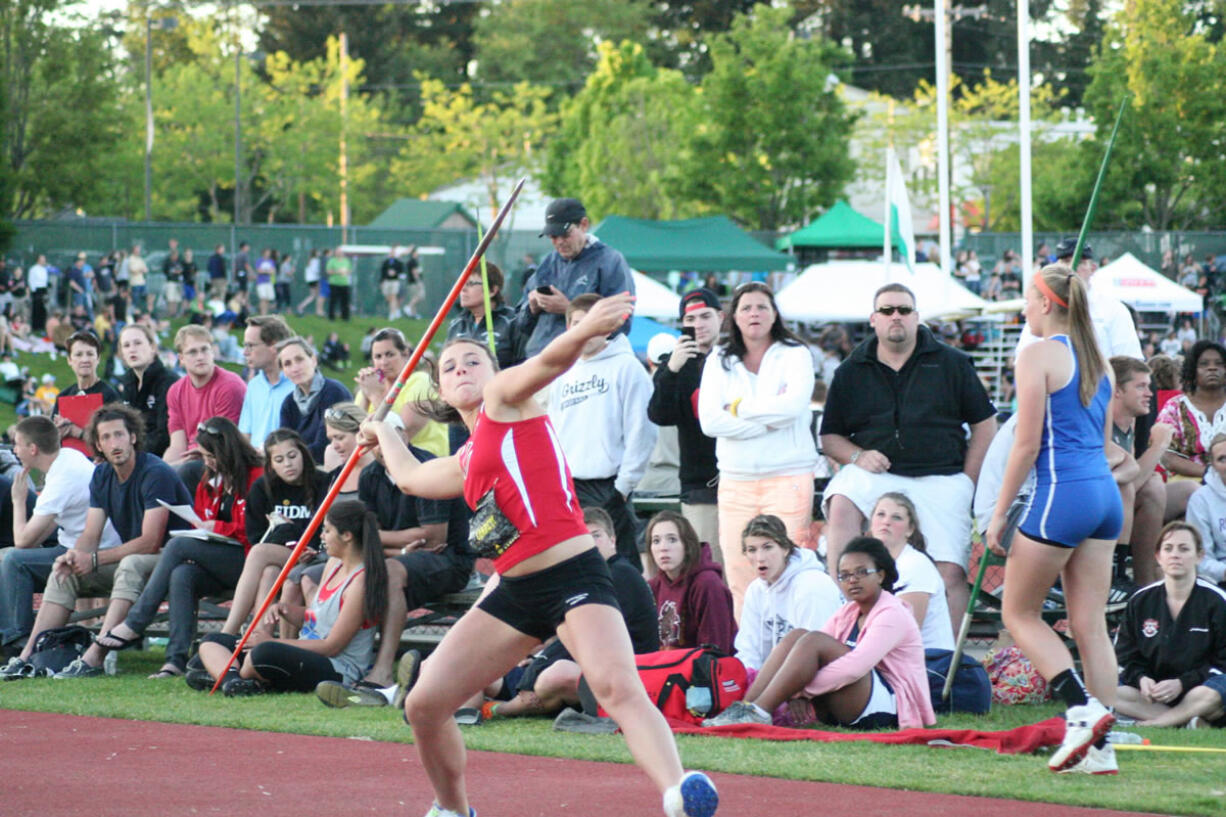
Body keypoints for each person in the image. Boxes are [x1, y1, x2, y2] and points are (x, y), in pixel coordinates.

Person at [360, 293, 720, 817]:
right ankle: (452, 809)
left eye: (473, 360)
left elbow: (551, 361)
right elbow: (412, 475)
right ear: (438, 386)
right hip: (515, 590)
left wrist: (580, 331)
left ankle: (678, 790)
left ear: (494, 370)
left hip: (573, 574)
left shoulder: (506, 399)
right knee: (425, 703)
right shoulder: (466, 455)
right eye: (451, 366)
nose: (461, 369)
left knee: (616, 686)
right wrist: (381, 430)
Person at [986, 265, 1124, 775]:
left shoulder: (1037, 354)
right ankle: (1102, 745)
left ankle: (1082, 710)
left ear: (1046, 303)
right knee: (1090, 625)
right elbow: (1109, 444)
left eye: (1027, 299)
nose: (1024, 308)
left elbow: (1025, 442)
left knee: (1018, 614)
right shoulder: (1100, 363)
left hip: (1062, 493)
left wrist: (998, 514)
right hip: (1104, 497)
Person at [821, 283, 996, 635]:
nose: (895, 316)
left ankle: (945, 668)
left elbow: (985, 424)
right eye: (887, 311)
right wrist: (857, 455)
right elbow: (829, 437)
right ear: (874, 319)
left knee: (950, 573)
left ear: (917, 318)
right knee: (841, 499)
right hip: (877, 474)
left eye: (903, 310)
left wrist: (968, 481)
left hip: (943, 477)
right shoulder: (851, 370)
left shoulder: (952, 363)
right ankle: (843, 611)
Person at [17, 405, 192, 677]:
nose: (114, 443)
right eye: (106, 438)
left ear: (133, 437)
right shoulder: (101, 475)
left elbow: (150, 542)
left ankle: (94, 657)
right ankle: (28, 657)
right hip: (139, 563)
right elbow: (90, 534)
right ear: (97, 444)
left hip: (177, 561)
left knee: (131, 563)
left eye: (119, 435)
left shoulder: (155, 473)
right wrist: (74, 556)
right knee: (63, 571)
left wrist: (94, 559)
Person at [85, 417, 264, 678]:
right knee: (182, 573)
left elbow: (255, 532)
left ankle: (135, 622)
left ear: (227, 451)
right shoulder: (209, 479)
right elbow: (204, 519)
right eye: (203, 456)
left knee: (179, 545)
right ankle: (175, 661)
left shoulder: (255, 477)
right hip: (224, 556)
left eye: (210, 456)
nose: (207, 462)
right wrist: (206, 529)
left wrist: (217, 528)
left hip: (251, 561)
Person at [444, 507, 659, 722]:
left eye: (597, 536)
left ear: (612, 540)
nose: (591, 544)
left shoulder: (620, 574)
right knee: (478, 666)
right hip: (553, 667)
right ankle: (461, 712)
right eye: (584, 538)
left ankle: (497, 710)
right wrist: (532, 656)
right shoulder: (584, 579)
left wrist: (537, 664)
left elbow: (586, 640)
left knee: (555, 675)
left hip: (621, 675)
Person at [703, 537, 934, 731]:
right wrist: (798, 689)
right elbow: (805, 648)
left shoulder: (892, 613)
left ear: (881, 575)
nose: (852, 580)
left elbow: (855, 667)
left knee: (813, 640)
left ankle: (760, 711)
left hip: (891, 707)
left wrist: (799, 691)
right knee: (798, 636)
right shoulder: (849, 611)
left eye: (862, 572)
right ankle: (745, 708)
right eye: (844, 575)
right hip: (854, 698)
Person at [698, 282, 816, 618]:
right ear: (733, 316)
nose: (754, 313)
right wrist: (766, 420)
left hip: (788, 476)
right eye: (746, 307)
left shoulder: (796, 353)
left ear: (774, 313)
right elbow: (709, 421)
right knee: (740, 569)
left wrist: (735, 407)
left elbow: (792, 407)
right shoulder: (719, 359)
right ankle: (750, 658)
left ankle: (792, 650)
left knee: (788, 566)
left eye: (762, 306)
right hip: (736, 481)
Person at [195, 499, 387, 695]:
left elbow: (331, 646)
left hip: (336, 666)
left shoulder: (360, 582)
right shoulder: (333, 564)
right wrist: (285, 609)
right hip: (305, 652)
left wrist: (271, 641)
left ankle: (230, 675)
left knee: (262, 653)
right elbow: (318, 616)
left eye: (327, 531)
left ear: (347, 535)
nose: (321, 536)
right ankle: (235, 682)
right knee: (212, 641)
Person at [548, 293, 657, 569]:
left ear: (607, 326)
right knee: (576, 564)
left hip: (609, 486)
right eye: (575, 324)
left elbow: (642, 431)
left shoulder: (627, 367)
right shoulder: (563, 371)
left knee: (619, 566)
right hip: (570, 485)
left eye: (589, 322)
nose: (582, 331)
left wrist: (623, 486)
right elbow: (553, 430)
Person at [0, 417, 119, 665]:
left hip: (94, 556)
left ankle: (16, 643)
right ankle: (15, 640)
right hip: (83, 547)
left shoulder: (61, 479)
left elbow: (23, 543)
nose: (14, 451)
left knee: (12, 559)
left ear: (33, 449)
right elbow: (33, 539)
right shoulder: (69, 457)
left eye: (17, 444)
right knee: (10, 558)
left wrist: (18, 500)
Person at [216, 429, 331, 639]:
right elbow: (256, 535)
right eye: (279, 459)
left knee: (260, 554)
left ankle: (228, 633)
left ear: (303, 455)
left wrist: (289, 530)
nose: (288, 464)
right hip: (285, 554)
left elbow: (323, 528)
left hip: (317, 554)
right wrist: (291, 538)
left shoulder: (322, 483)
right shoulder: (263, 488)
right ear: (271, 464)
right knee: (268, 570)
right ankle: (262, 636)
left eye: (292, 456)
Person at [1114, 522, 1226, 727]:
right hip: (1156, 694)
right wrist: (1142, 679)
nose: (1175, 555)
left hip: (1201, 688)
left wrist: (1182, 683)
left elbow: (1223, 663)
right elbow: (1124, 657)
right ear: (1158, 556)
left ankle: (1154, 723)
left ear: (1199, 556)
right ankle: (1187, 720)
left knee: (1211, 694)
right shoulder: (1140, 601)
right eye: (1168, 548)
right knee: (1107, 691)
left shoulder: (1218, 601)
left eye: (1184, 549)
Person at [648, 289, 723, 557]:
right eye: (690, 320)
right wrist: (672, 370)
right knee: (707, 562)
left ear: (721, 317)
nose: (698, 325)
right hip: (700, 483)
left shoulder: (734, 358)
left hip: (745, 477)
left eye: (705, 316)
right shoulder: (675, 363)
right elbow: (659, 414)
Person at [516, 197, 634, 359]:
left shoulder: (610, 262)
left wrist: (569, 309)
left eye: (565, 234)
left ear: (584, 225)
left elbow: (622, 322)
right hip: (540, 360)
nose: (559, 242)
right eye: (552, 236)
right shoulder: (546, 265)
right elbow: (519, 324)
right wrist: (531, 308)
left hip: (585, 363)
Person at [734, 514, 841, 675]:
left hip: (825, 678)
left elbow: (818, 653)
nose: (760, 558)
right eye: (752, 550)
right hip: (776, 681)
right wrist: (748, 681)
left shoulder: (812, 586)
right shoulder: (756, 590)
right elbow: (748, 650)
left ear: (785, 549)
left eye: (768, 547)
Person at [1015, 239, 1143, 362]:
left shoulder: (1113, 309)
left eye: (1080, 262)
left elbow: (1130, 362)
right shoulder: (1042, 308)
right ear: (1055, 268)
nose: (1072, 267)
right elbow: (1023, 358)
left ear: (1092, 268)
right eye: (1065, 261)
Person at [1109, 356, 1171, 587]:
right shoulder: (1101, 424)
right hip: (1080, 507)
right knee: (1153, 485)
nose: (1150, 393)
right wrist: (1159, 446)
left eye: (1149, 385)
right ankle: (1137, 581)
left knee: (1189, 493)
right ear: (1117, 391)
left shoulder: (1129, 424)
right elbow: (1128, 487)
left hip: (1115, 502)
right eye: (1140, 386)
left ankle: (1181, 577)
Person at [866, 493, 955, 651]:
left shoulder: (915, 565)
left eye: (896, 518)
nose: (886, 521)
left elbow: (905, 635)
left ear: (910, 530)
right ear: (872, 523)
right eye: (881, 514)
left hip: (928, 664)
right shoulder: (867, 563)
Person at [646, 510, 736, 654]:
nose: (663, 548)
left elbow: (715, 650)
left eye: (672, 539)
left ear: (687, 546)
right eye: (656, 541)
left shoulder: (707, 585)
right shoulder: (652, 587)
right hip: (663, 670)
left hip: (703, 672)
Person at [353, 327, 449, 458]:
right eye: (378, 357)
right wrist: (365, 395)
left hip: (422, 459)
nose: (383, 362)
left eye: (390, 354)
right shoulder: (371, 387)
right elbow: (353, 435)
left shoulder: (421, 381)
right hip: (382, 462)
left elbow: (402, 435)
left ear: (405, 354)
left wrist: (375, 396)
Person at [1157, 340, 1226, 519]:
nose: (1212, 368)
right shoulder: (1174, 407)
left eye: (1219, 364)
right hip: (1188, 485)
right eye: (1204, 364)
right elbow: (1167, 457)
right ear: (1192, 370)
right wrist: (1209, 474)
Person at [163, 325, 247, 469]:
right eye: (192, 352)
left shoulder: (230, 386)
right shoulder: (175, 391)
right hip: (190, 460)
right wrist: (162, 469)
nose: (200, 357)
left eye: (204, 350)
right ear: (181, 359)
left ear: (213, 352)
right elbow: (177, 446)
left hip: (222, 459)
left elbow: (223, 443)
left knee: (184, 471)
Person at [277, 336, 353, 464]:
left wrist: (289, 457)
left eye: (299, 359)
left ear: (313, 360)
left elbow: (324, 447)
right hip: (300, 468)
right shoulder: (289, 403)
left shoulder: (334, 392)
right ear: (284, 372)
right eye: (287, 364)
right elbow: (283, 445)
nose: (295, 368)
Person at [51, 331, 121, 454]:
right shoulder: (63, 396)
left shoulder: (109, 395)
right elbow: (51, 440)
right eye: (78, 354)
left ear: (98, 358)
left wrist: (76, 431)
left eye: (90, 354)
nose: (85, 359)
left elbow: (115, 438)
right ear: (69, 360)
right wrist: (58, 431)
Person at [117, 323, 179, 459]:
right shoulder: (127, 383)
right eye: (126, 346)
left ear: (152, 347)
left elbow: (164, 434)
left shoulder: (169, 382)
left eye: (138, 343)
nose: (132, 349)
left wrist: (131, 454)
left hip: (162, 459)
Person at [446, 262, 520, 369]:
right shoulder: (456, 325)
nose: (463, 289)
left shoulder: (513, 321)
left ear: (492, 290)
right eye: (461, 283)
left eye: (470, 284)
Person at [237, 315, 295, 448]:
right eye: (245, 346)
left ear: (273, 346)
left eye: (250, 346)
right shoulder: (254, 385)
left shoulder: (299, 386)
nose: (245, 352)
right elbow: (245, 435)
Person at [1185, 433, 1226, 588]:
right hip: (1220, 580)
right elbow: (1200, 559)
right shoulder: (1201, 500)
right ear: (1213, 466)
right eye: (1222, 459)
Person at [326, 246, 352, 321]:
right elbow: (328, 271)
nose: (339, 253)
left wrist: (345, 272)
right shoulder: (332, 261)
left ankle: (345, 317)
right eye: (338, 252)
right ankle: (331, 317)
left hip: (344, 283)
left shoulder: (346, 261)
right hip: (334, 283)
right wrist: (338, 272)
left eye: (340, 252)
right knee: (333, 301)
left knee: (345, 301)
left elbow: (349, 271)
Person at [380, 244, 405, 320]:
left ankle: (392, 313)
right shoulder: (386, 262)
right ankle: (395, 310)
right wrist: (382, 281)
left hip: (394, 281)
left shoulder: (398, 262)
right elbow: (382, 272)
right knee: (388, 297)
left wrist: (395, 273)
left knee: (393, 296)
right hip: (387, 281)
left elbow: (401, 272)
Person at [404, 245, 425, 319]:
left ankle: (414, 314)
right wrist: (418, 282)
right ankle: (408, 306)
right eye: (416, 252)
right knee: (419, 296)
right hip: (414, 283)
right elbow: (414, 272)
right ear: (413, 253)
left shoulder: (412, 261)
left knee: (414, 297)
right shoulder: (413, 261)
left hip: (411, 282)